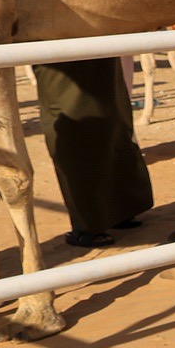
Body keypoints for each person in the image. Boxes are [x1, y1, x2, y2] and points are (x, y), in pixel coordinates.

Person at [32, 57, 152, 248]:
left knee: (106, 117)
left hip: (87, 44)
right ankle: (97, 218)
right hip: (66, 47)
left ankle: (116, 211)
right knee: (83, 119)